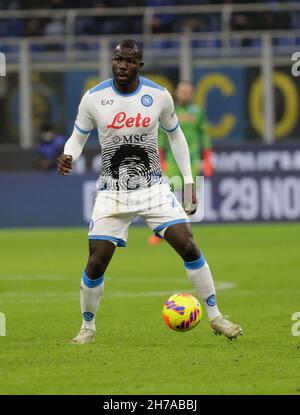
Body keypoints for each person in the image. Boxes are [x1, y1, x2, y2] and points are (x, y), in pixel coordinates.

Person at [57, 39, 242, 344]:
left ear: (139, 65)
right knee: (96, 262)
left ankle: (216, 317)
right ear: (112, 61)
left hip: (154, 188)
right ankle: (87, 327)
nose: (122, 66)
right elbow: (77, 138)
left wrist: (189, 181)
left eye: (129, 61)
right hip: (112, 192)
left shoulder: (158, 96)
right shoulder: (94, 98)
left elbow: (176, 137)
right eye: (118, 60)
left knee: (189, 246)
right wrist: (69, 156)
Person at [149, 80, 213, 245]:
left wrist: (207, 160)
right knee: (164, 194)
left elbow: (204, 135)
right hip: (171, 160)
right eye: (182, 91)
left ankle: (186, 233)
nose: (184, 94)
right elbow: (162, 137)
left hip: (191, 160)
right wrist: (160, 160)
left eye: (187, 91)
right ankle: (160, 232)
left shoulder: (197, 112)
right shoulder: (170, 110)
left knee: (188, 197)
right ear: (176, 93)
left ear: (192, 94)